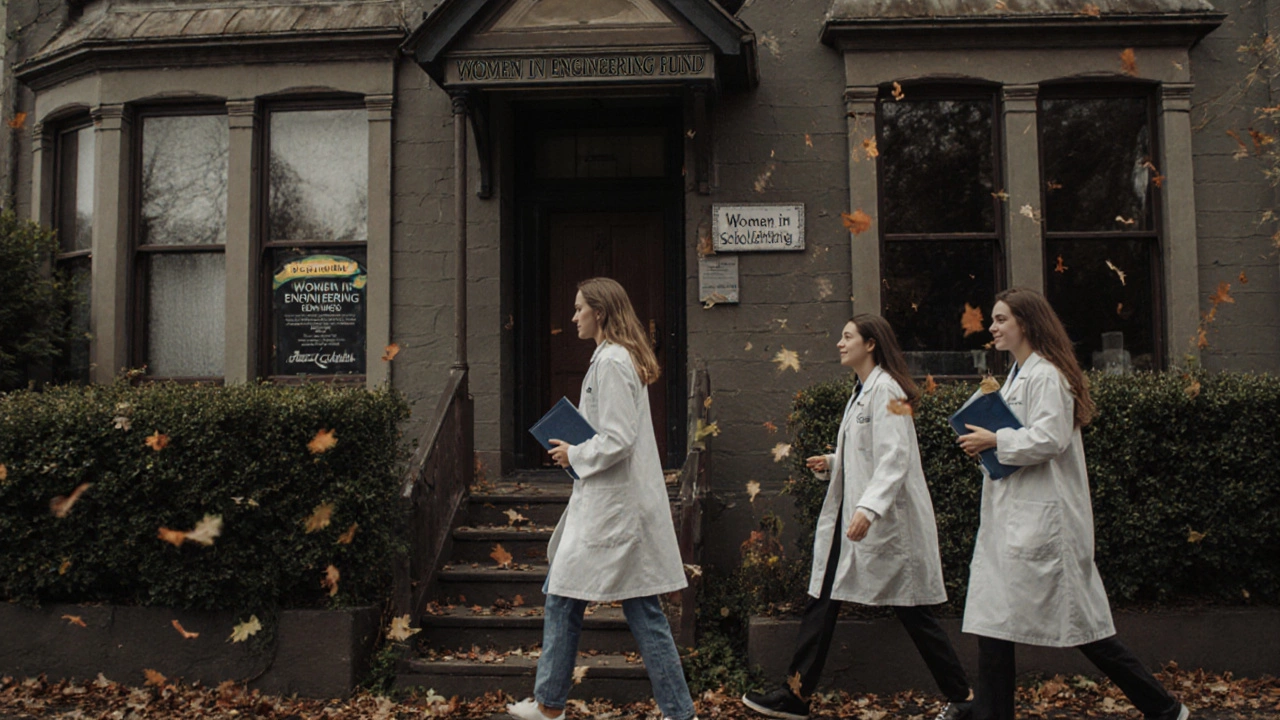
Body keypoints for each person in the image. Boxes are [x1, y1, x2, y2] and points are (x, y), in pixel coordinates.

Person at [957, 288, 1189, 720]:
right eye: (993, 319)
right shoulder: (1017, 374)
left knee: (1085, 629)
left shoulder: (1047, 376)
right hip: (1013, 514)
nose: (993, 328)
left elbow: (1049, 438)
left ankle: (1164, 708)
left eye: (1002, 319)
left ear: (1026, 322)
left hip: (1044, 521)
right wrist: (985, 447)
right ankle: (991, 712)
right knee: (991, 620)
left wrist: (996, 440)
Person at [743, 315, 973, 720]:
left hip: (884, 525)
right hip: (855, 523)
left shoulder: (891, 391)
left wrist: (869, 508)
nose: (839, 343)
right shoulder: (862, 391)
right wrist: (833, 463)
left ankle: (964, 699)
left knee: (913, 612)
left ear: (870, 344)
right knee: (824, 599)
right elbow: (870, 453)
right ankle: (796, 695)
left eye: (847, 336)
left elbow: (896, 456)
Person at [507, 277, 697, 720]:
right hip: (610, 506)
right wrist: (576, 454)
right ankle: (556, 704)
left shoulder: (612, 362)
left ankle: (553, 706)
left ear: (601, 313)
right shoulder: (613, 359)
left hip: (615, 511)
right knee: (587, 598)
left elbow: (617, 439)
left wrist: (575, 452)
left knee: (586, 598)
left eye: (579, 309)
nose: (573, 317)